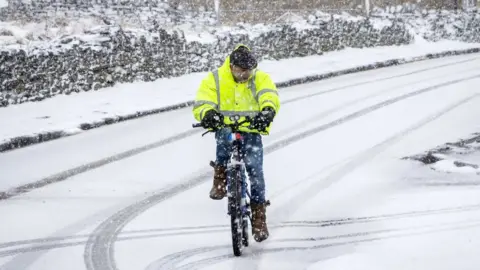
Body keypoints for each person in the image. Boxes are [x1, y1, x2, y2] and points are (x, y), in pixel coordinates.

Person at [192, 44, 280, 242]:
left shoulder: (260, 78)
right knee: (223, 137)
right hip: (225, 126)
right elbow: (203, 100)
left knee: (255, 171)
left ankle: (259, 217)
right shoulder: (215, 78)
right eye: (241, 71)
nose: (245, 75)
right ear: (231, 66)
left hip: (252, 129)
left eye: (248, 71)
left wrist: (267, 111)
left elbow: (270, 95)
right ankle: (220, 178)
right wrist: (207, 114)